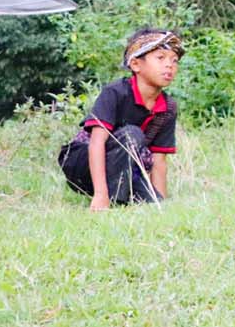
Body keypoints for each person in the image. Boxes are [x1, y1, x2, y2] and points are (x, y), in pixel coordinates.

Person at [58, 28, 182, 210]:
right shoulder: (115, 92)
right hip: (83, 162)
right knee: (132, 134)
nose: (169, 65)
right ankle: (107, 199)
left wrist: (160, 201)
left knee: (152, 204)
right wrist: (101, 195)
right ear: (136, 65)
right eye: (160, 58)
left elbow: (159, 160)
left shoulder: (167, 107)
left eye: (174, 60)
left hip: (126, 169)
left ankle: (119, 200)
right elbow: (96, 143)